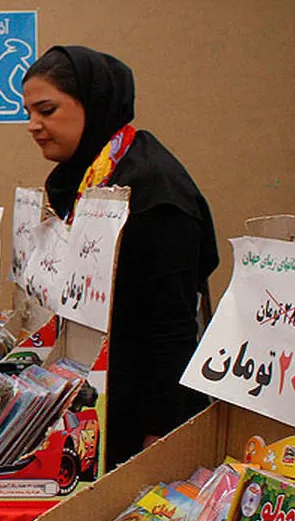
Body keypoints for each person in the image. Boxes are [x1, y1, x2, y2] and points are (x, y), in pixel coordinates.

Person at [21, 46, 219, 467]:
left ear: (93, 103)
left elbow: (171, 327)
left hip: (146, 419)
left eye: (47, 110)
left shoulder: (153, 191)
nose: (33, 125)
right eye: (29, 113)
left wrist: (159, 437)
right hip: (103, 402)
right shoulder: (92, 177)